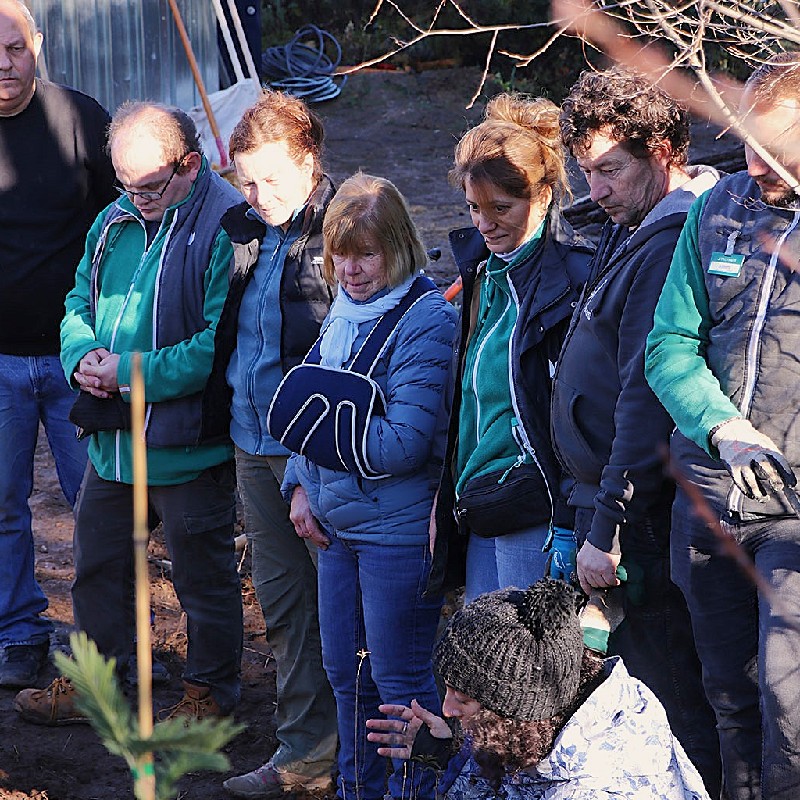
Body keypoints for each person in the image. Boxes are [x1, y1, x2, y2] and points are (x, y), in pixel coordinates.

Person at [13, 101, 244, 724]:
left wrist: (128, 373)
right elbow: (76, 300)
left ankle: (209, 697)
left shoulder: (227, 228)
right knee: (96, 567)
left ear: (189, 164)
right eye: (123, 184)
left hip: (187, 446)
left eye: (148, 186)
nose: (134, 198)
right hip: (113, 444)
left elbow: (212, 350)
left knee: (203, 580)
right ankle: (98, 684)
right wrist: (82, 354)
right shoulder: (113, 220)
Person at [551, 67, 722, 795]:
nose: (595, 191)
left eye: (610, 170)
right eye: (586, 172)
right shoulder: (632, 224)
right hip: (606, 507)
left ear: (663, 151)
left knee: (671, 706)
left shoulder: (670, 239)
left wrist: (605, 527)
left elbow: (643, 399)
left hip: (640, 524)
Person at [645, 53, 800, 800]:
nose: (753, 160)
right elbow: (668, 345)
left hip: (793, 515)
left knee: (788, 703)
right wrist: (719, 426)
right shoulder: (718, 209)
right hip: (709, 498)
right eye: (745, 137)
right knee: (728, 700)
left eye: (775, 143)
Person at [277, 172, 457, 800]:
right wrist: (300, 487)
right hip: (335, 528)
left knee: (399, 678)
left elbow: (405, 442)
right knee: (343, 675)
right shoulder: (344, 313)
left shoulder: (425, 318)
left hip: (395, 533)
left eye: (365, 254)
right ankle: (358, 790)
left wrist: (322, 442)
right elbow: (311, 419)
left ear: (400, 247)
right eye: (340, 254)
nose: (350, 270)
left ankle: (417, 790)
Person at [213, 90, 338, 798]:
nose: (259, 197)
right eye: (247, 181)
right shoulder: (245, 230)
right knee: (285, 607)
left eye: (273, 180)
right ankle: (304, 755)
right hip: (248, 444)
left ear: (310, 161)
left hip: (317, 454)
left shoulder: (344, 228)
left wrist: (305, 464)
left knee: (340, 602)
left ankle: (364, 743)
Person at [429, 93, 592, 601]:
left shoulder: (570, 280)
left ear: (543, 196)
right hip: (480, 501)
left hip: (534, 507)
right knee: (480, 664)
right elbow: (470, 401)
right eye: (473, 208)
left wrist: (569, 519)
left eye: (501, 208)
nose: (483, 223)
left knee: (525, 670)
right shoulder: (482, 272)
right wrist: (443, 505)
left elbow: (576, 415)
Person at [0, 0, 116, 688]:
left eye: (14, 48)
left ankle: (102, 642)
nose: (3, 65)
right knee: (3, 506)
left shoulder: (80, 119)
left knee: (98, 503)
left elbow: (123, 225)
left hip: (82, 361)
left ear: (36, 45)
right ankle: (18, 632)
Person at [366, 578, 711, 800]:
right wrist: (450, 754)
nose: (446, 710)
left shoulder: (593, 790)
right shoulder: (556, 714)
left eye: (463, 698)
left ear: (515, 712)